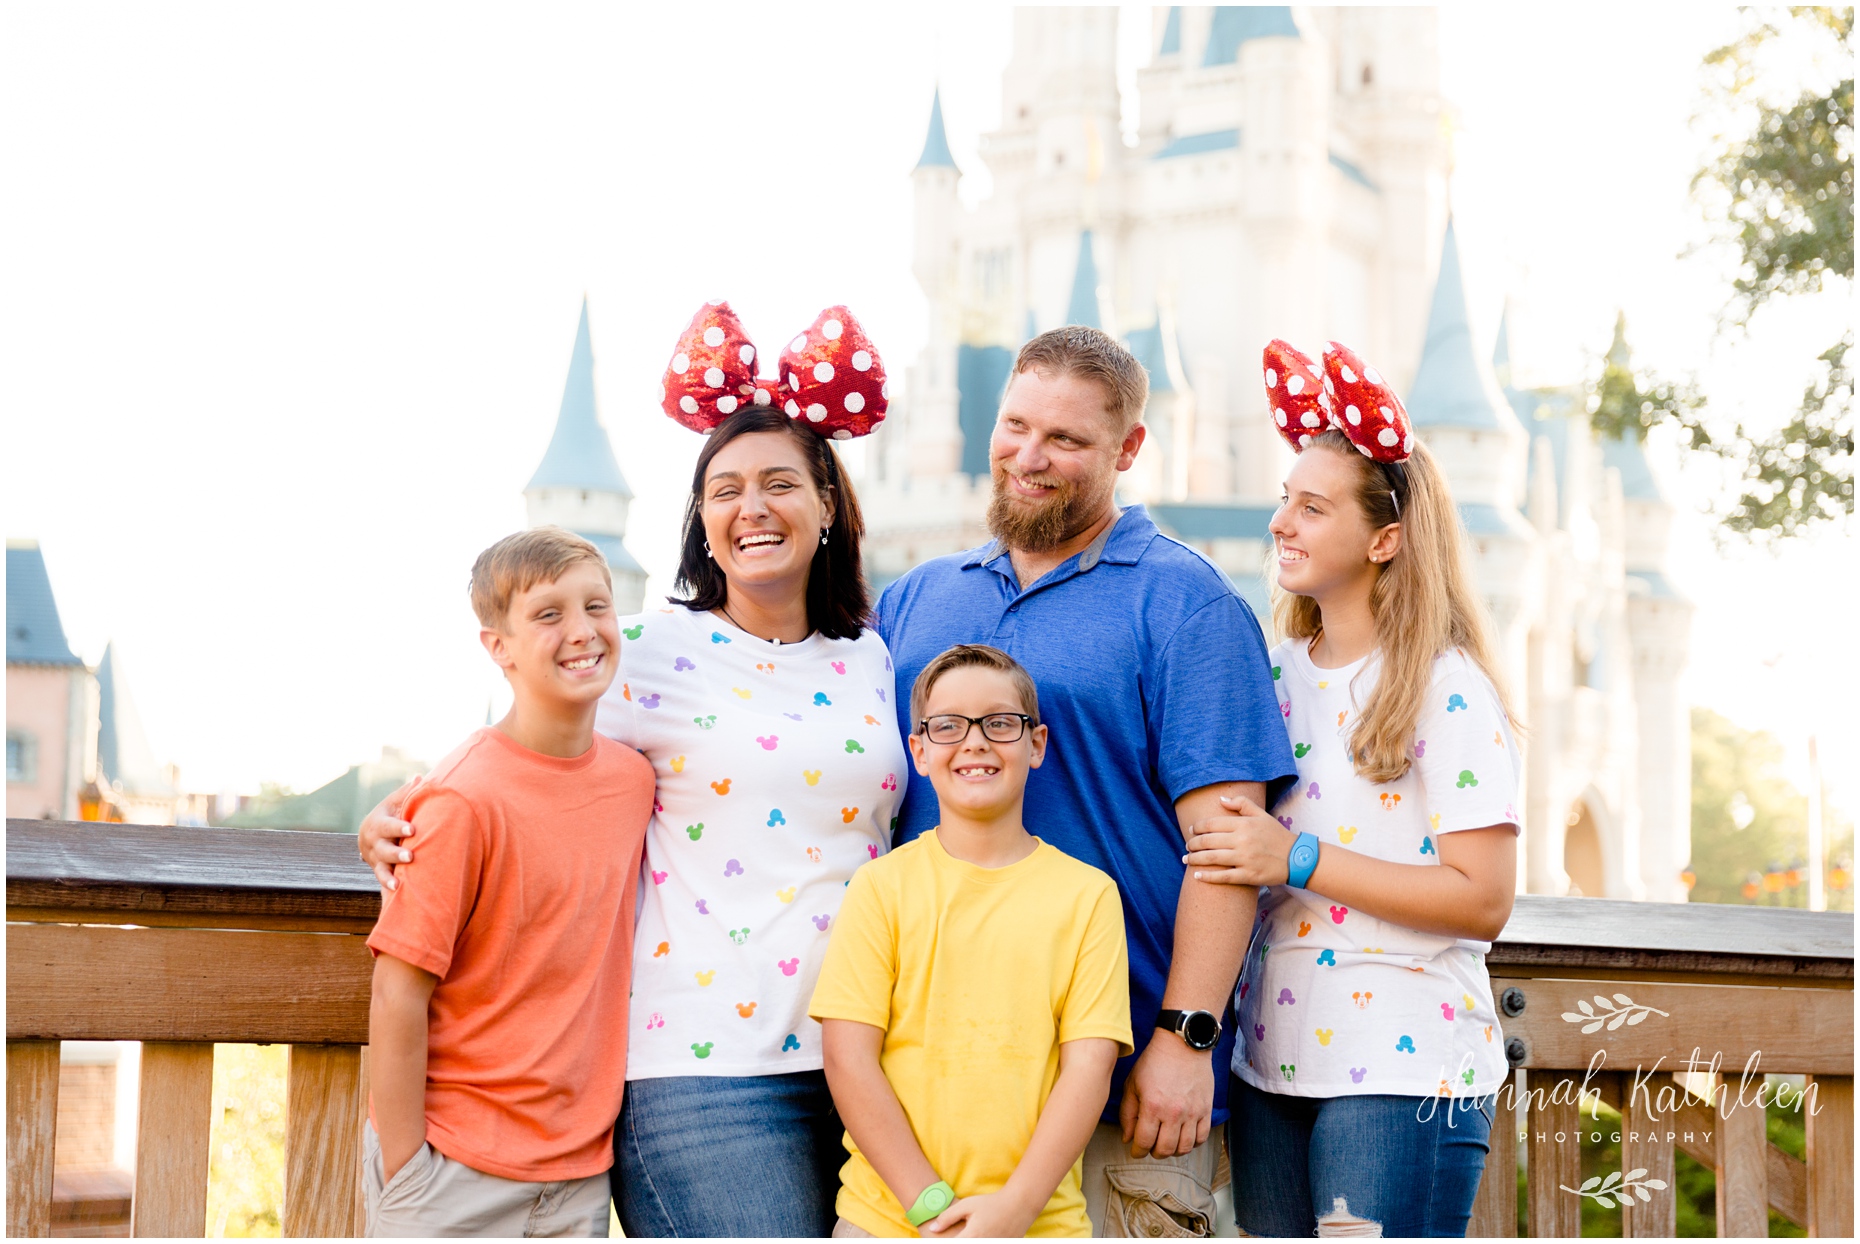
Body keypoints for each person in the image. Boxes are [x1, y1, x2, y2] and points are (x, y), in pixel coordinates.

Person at [359, 302, 909, 1237]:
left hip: (863, 1057)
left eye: (780, 483)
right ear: (701, 519)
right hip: (702, 1071)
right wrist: (399, 807)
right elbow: (518, 746)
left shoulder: (872, 655)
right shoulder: (650, 649)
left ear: (828, 503)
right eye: (725, 489)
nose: (753, 508)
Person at [873, 326, 1298, 1236]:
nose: (1029, 457)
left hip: (1122, 1092)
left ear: (1130, 449)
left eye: (1065, 440)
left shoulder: (1188, 606)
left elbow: (1226, 847)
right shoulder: (915, 600)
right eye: (1015, 425)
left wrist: (1187, 1040)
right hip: (931, 1088)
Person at [1181, 340, 1519, 1237]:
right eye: (1285, 501)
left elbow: (1483, 898)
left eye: (1312, 507)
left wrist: (1294, 856)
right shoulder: (1272, 673)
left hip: (1403, 1071)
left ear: (1385, 537)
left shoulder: (1448, 686)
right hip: (1270, 1068)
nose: (1281, 523)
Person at [363, 527, 654, 1236]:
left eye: (598, 606)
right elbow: (399, 991)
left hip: (580, 1177)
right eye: (548, 615)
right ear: (499, 647)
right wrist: (407, 1177)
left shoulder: (633, 780)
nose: (582, 631)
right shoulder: (463, 799)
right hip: (455, 1172)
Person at [811, 644, 1133, 1238]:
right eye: (949, 726)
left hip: (1038, 1223)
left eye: (1000, 723)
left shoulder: (1088, 897)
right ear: (920, 751)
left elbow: (1088, 1068)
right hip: (888, 1220)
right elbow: (848, 1058)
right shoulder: (881, 888)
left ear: (1036, 745)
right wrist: (931, 1208)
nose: (976, 742)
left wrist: (1013, 1211)